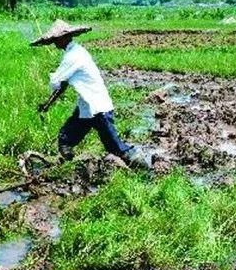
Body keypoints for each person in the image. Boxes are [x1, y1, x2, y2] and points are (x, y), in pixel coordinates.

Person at [31, 19, 149, 168]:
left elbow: (56, 82)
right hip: (87, 107)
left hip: (98, 108)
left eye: (56, 39)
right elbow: (63, 85)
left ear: (65, 37)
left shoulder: (73, 57)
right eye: (53, 40)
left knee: (116, 148)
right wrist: (48, 104)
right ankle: (67, 167)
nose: (55, 43)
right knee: (65, 139)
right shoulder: (75, 52)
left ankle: (147, 173)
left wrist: (48, 102)